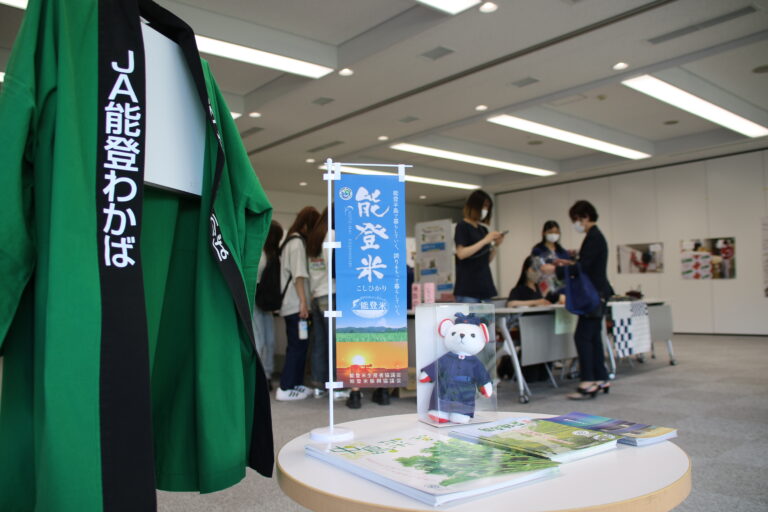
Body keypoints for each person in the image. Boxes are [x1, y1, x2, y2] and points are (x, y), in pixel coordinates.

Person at [541, 200, 614, 400]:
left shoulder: (594, 237)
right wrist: (569, 263)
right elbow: (585, 264)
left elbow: (583, 268)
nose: (576, 224)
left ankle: (587, 382)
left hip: (593, 295)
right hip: (599, 293)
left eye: (576, 220)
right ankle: (600, 377)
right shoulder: (595, 236)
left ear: (585, 217)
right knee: (593, 337)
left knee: (582, 337)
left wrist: (555, 269)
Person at [277, 207, 320, 401]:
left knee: (299, 346)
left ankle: (294, 384)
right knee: (297, 347)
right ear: (307, 225)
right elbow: (299, 276)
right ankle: (286, 387)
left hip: (293, 304)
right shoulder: (296, 243)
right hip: (296, 304)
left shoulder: (291, 242)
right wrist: (303, 303)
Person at [453, 190, 504, 303]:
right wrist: (485, 240)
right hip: (468, 288)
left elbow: (486, 259)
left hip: (484, 286)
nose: (485, 210)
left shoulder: (483, 230)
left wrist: (496, 245)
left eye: (488, 207)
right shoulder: (462, 227)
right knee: (470, 315)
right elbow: (461, 254)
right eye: (484, 206)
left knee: (487, 315)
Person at [306, 208, 334, 397]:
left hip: (316, 294)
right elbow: (333, 266)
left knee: (319, 342)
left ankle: (318, 384)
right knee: (334, 342)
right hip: (330, 293)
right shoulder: (331, 235)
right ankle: (336, 384)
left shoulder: (315, 236)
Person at [252, 220, 283, 389]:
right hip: (265, 301)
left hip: (258, 298)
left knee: (263, 339)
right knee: (266, 340)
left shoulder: (260, 252)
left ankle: (264, 375)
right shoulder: (272, 254)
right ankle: (265, 375)